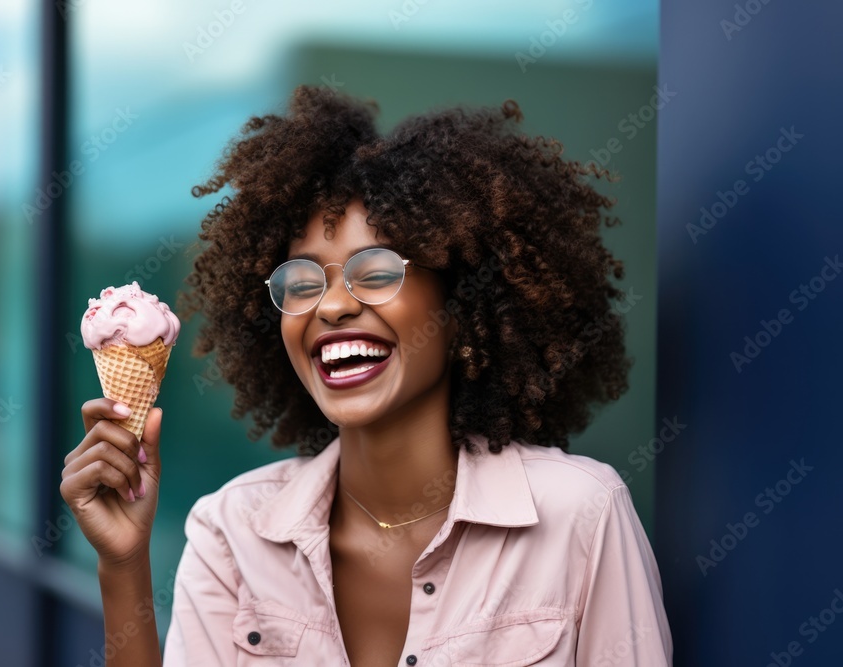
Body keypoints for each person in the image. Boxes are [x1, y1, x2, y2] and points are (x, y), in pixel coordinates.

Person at [60, 85, 673, 666]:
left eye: (376, 272)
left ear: (461, 303)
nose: (330, 306)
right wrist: (123, 566)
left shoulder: (581, 516)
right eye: (302, 280)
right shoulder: (231, 533)